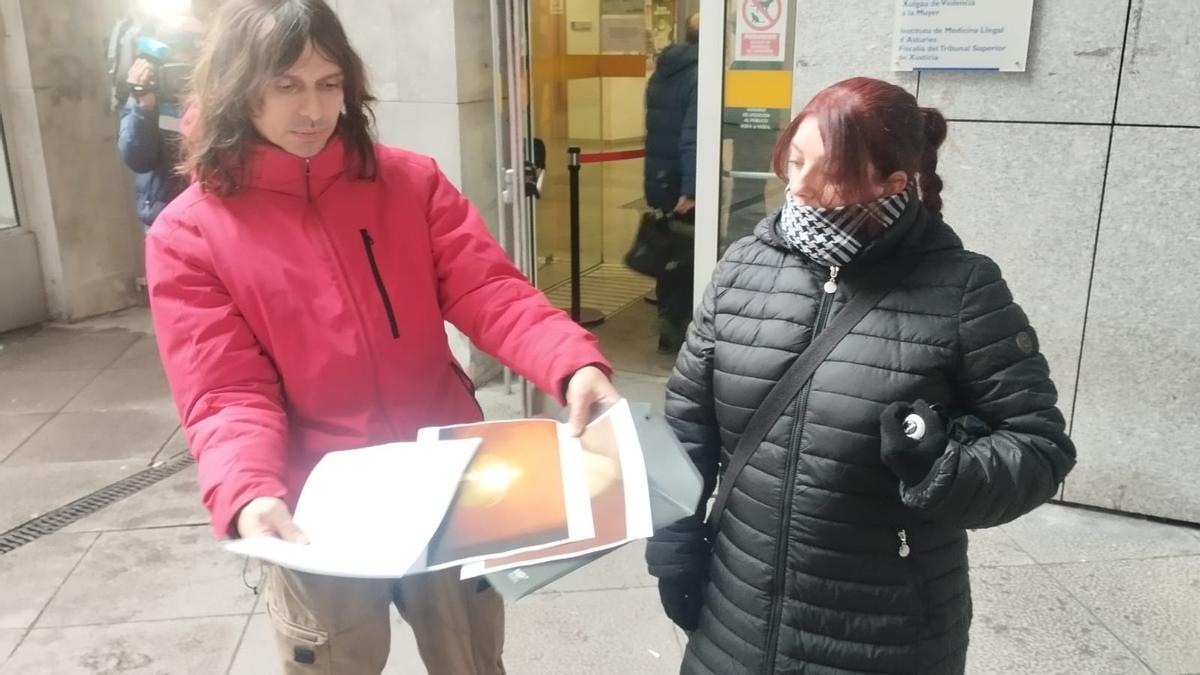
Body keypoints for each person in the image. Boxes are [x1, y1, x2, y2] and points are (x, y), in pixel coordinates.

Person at [145, 1, 620, 673]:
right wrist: (249, 490)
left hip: (444, 477)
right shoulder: (190, 235)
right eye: (287, 86)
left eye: (329, 83)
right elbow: (225, 392)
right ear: (237, 89)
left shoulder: (410, 182)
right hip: (318, 505)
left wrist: (570, 363)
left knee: (472, 656)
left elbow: (489, 289)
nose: (312, 108)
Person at [645, 77, 1076, 673]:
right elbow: (685, 427)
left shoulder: (962, 289)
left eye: (826, 172)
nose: (796, 187)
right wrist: (672, 548)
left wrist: (939, 466)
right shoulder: (744, 266)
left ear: (892, 183)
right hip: (734, 615)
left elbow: (1039, 447)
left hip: (884, 631)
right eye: (793, 161)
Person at [642, 13, 699, 353]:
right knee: (685, 259)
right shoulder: (699, 76)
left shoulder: (662, 73)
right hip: (681, 184)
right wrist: (692, 189)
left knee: (669, 257)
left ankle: (667, 329)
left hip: (660, 178)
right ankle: (677, 333)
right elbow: (692, 138)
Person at [116, 15, 201, 231]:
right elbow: (139, 159)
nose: (181, 77)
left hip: (217, 211)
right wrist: (145, 106)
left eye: (189, 67)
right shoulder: (148, 95)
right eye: (175, 67)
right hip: (166, 217)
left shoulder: (220, 92)